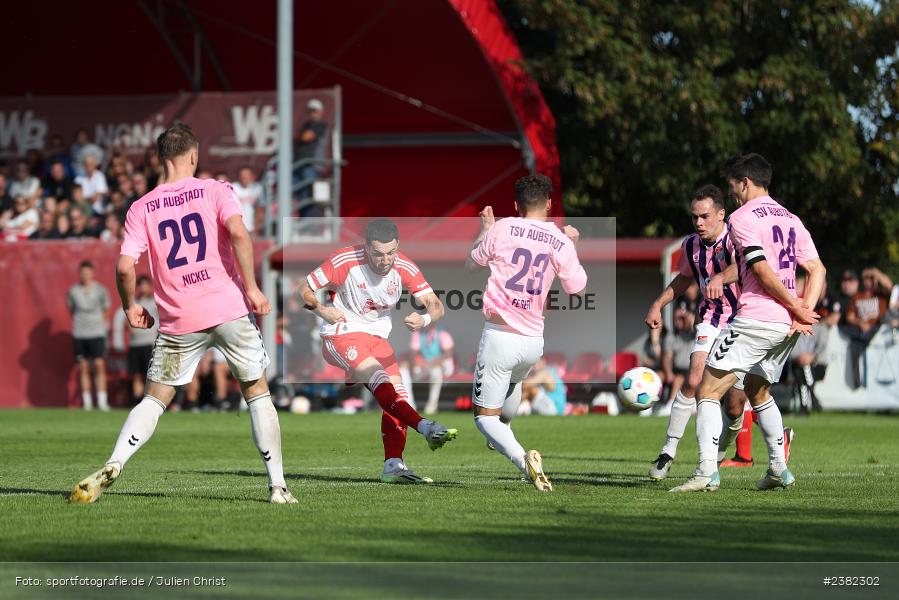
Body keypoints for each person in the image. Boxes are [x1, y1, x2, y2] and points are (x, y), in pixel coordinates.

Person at [70, 124, 297, 505]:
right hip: (228, 308)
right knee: (257, 393)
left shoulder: (141, 207)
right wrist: (254, 288)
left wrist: (129, 305)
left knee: (154, 400)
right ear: (193, 155)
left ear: (162, 159)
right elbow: (240, 235)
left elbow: (126, 268)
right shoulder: (216, 190)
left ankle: (115, 462)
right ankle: (278, 487)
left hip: (179, 319)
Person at [670, 153, 825, 493]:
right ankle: (778, 469)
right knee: (757, 388)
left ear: (745, 183)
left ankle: (705, 472)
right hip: (785, 326)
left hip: (756, 317)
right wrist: (802, 310)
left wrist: (796, 305)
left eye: (733, 186)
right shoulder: (791, 219)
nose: (734, 194)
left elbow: (759, 269)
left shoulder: (742, 217)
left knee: (707, 390)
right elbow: (817, 270)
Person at [297, 218, 457, 484]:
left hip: (377, 340)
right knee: (384, 385)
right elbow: (303, 290)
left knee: (398, 398)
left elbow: (436, 305)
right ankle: (426, 426)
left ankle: (393, 465)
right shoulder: (344, 260)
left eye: (391, 253)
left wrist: (424, 319)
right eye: (379, 254)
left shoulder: (404, 266)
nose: (386, 260)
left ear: (398, 247)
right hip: (342, 333)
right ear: (366, 248)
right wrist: (323, 310)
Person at [466, 174, 587, 491]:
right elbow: (577, 287)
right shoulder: (559, 239)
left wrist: (485, 231)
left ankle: (523, 461)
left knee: (483, 418)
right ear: (550, 203)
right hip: (534, 340)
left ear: (516, 204)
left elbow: (472, 263)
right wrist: (570, 245)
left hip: (500, 335)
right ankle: (504, 429)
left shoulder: (503, 227)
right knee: (513, 383)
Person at [644, 185, 755, 480]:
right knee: (694, 380)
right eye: (695, 217)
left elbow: (744, 266)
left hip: (743, 321)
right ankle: (667, 452)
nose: (699, 223)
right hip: (711, 317)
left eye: (705, 216)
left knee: (734, 405)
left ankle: (722, 450)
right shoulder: (691, 245)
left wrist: (721, 275)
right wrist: (658, 304)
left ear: (721, 214)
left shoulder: (737, 237)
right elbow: (683, 279)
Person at [67, 261, 111, 411]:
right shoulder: (73, 291)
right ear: (80, 274)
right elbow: (71, 310)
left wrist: (101, 326)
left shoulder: (101, 290)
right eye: (83, 273)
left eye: (88, 273)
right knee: (83, 367)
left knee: (99, 365)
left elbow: (106, 310)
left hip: (97, 332)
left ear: (92, 273)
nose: (85, 276)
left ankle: (102, 401)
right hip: (80, 333)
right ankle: (87, 402)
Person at [843, 267, 893, 388]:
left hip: (878, 329)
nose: (868, 281)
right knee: (854, 346)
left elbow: (889, 285)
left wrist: (875, 272)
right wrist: (860, 323)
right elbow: (850, 317)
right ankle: (856, 383)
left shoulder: (882, 295)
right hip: (860, 331)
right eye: (866, 278)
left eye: (871, 278)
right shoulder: (857, 296)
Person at [113, 275, 159, 404]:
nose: (143, 288)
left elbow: (162, 321)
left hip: (149, 344)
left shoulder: (155, 303)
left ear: (150, 286)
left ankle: (149, 402)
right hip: (135, 344)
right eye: (141, 285)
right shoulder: (133, 303)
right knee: (136, 375)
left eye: (146, 285)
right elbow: (122, 317)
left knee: (150, 375)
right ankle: (137, 402)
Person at [407, 323, 455, 414]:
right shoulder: (417, 334)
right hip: (426, 365)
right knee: (404, 372)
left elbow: (448, 353)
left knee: (436, 372)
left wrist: (431, 363)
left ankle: (432, 406)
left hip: (443, 365)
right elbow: (413, 354)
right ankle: (409, 405)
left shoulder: (442, 332)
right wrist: (415, 364)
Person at [294, 98, 329, 217]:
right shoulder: (306, 125)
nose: (312, 113)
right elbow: (299, 136)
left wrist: (300, 136)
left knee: (310, 196)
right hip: (300, 164)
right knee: (301, 195)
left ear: (320, 111)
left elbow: (305, 137)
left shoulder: (321, 124)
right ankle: (303, 223)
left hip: (312, 165)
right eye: (310, 110)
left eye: (314, 110)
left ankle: (309, 225)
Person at [232, 166, 264, 236]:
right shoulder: (233, 187)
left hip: (252, 228)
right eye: (242, 176)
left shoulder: (257, 188)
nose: (245, 178)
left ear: (252, 176)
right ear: (238, 177)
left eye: (247, 175)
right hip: (237, 228)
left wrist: (257, 226)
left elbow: (260, 209)